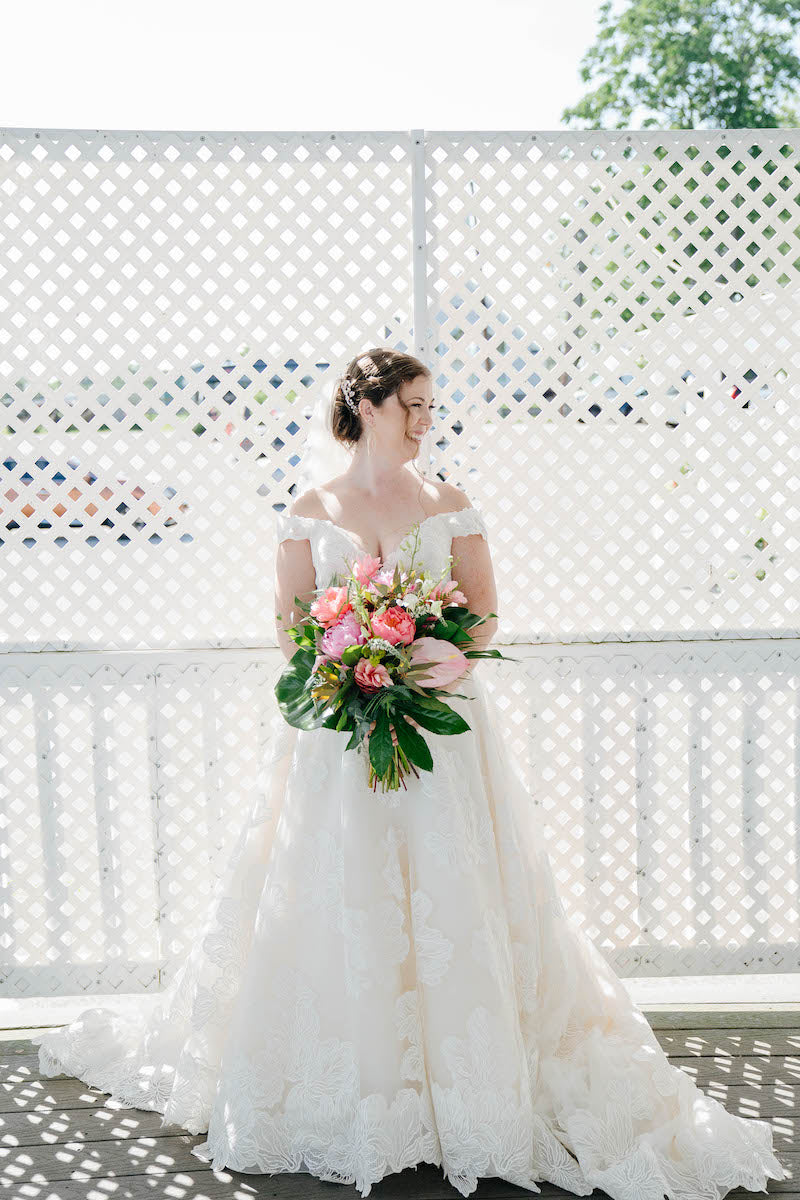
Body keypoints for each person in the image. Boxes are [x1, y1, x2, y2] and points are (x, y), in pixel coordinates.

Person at [32, 348, 785, 1200]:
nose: (429, 419)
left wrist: (422, 661)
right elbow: (289, 631)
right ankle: (362, 1081)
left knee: (453, 890)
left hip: (443, 731)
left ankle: (467, 1081)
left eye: (432, 405)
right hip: (337, 737)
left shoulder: (450, 503)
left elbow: (483, 613)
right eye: (416, 404)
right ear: (370, 403)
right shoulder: (309, 510)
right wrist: (348, 666)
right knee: (338, 890)